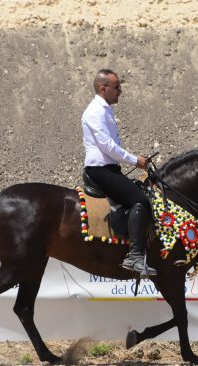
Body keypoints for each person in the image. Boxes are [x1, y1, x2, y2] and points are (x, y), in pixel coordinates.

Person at [81, 69, 156, 277]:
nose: (120, 91)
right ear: (103, 89)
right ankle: (134, 256)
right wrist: (135, 160)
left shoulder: (105, 110)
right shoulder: (95, 112)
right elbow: (107, 146)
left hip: (109, 168)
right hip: (100, 170)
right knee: (140, 200)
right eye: (117, 87)